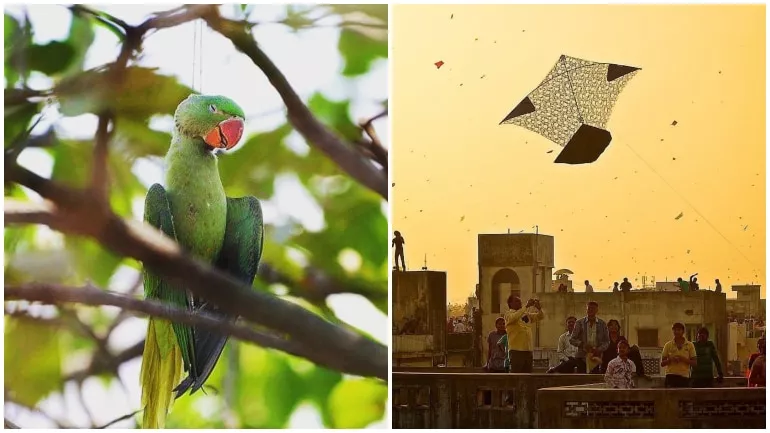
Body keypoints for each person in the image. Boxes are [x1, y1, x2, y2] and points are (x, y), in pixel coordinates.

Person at [504, 295, 543, 373]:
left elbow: (540, 316)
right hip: (516, 351)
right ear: (510, 304)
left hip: (528, 351)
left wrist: (539, 308)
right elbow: (514, 318)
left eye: (520, 301)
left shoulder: (526, 314)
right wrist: (526, 306)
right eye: (517, 301)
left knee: (528, 376)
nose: (520, 303)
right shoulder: (508, 314)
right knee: (516, 376)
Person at [570, 301, 610, 374]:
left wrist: (599, 349)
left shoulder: (602, 324)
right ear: (586, 310)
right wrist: (582, 344)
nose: (591, 310)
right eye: (589, 308)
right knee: (581, 380)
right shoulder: (579, 323)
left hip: (596, 357)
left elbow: (607, 341)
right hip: (582, 357)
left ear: (597, 310)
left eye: (593, 308)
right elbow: (572, 339)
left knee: (593, 380)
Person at [661, 322, 697, 388]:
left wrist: (682, 359)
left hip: (684, 377)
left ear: (683, 331)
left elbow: (694, 363)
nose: (676, 332)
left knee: (683, 398)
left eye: (679, 330)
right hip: (671, 377)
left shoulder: (690, 345)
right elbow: (662, 363)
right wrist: (671, 359)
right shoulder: (668, 345)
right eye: (675, 330)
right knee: (670, 398)